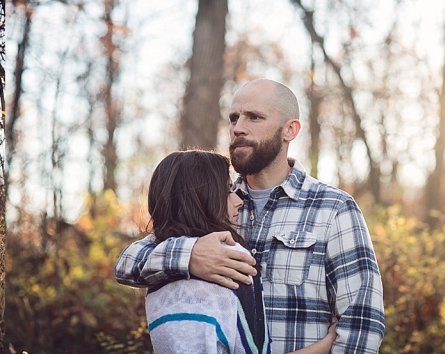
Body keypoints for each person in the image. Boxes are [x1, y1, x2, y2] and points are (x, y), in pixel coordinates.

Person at [116, 79, 385, 353]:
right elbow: (127, 264)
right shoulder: (215, 205)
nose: (238, 128)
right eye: (234, 118)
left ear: (290, 130)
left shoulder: (333, 208)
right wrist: (190, 256)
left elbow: (362, 323)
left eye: (254, 117)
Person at [141, 150, 336, 354]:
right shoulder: (223, 262)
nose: (238, 200)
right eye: (226, 191)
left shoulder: (160, 265)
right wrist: (327, 344)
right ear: (199, 199)